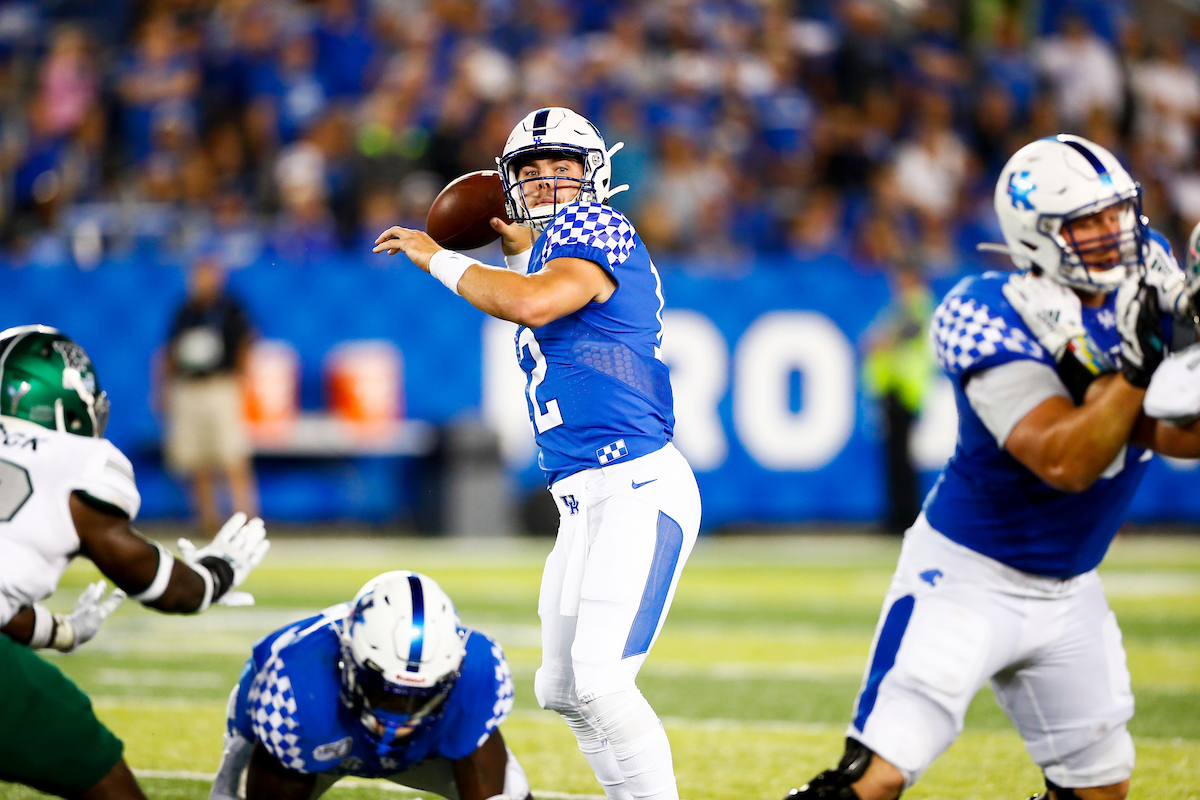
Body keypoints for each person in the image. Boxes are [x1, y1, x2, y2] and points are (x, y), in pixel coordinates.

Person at [784, 133, 1200, 800]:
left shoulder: (1150, 273)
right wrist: (1142, 364)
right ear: (1035, 235)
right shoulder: (984, 310)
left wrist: (1182, 364)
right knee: (874, 778)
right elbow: (1064, 459)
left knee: (1100, 791)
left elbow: (1177, 433)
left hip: (1071, 587)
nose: (1111, 234)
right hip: (967, 578)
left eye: (1116, 212)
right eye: (1085, 222)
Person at [374, 107, 702, 800]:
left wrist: (437, 255)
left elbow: (534, 304)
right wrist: (521, 253)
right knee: (562, 687)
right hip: (584, 499)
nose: (549, 182)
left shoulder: (601, 226)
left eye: (564, 168)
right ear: (507, 183)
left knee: (605, 681)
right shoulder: (555, 251)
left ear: (596, 178)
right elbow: (545, 318)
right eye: (531, 169)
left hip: (637, 484)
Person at [0, 324, 270, 800]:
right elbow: (172, 591)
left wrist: (58, 632)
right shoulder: (73, 464)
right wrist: (217, 572)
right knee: (103, 774)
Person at [210, 570, 532, 800]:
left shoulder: (475, 673)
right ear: (346, 661)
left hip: (428, 749)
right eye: (384, 694)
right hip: (319, 739)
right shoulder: (295, 690)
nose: (399, 717)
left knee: (508, 795)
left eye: (418, 699)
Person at [161, 253, 258, 534]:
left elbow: (246, 342)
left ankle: (246, 519)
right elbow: (168, 351)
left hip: (220, 385)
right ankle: (209, 521)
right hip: (190, 387)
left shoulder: (230, 309)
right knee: (197, 460)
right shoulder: (185, 311)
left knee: (232, 456)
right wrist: (165, 388)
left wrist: (241, 378)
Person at [861, 262, 937, 534]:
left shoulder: (914, 305)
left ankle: (903, 517)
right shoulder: (908, 306)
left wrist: (879, 340)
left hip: (903, 391)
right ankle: (898, 515)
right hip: (897, 391)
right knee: (897, 458)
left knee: (900, 459)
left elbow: (894, 338)